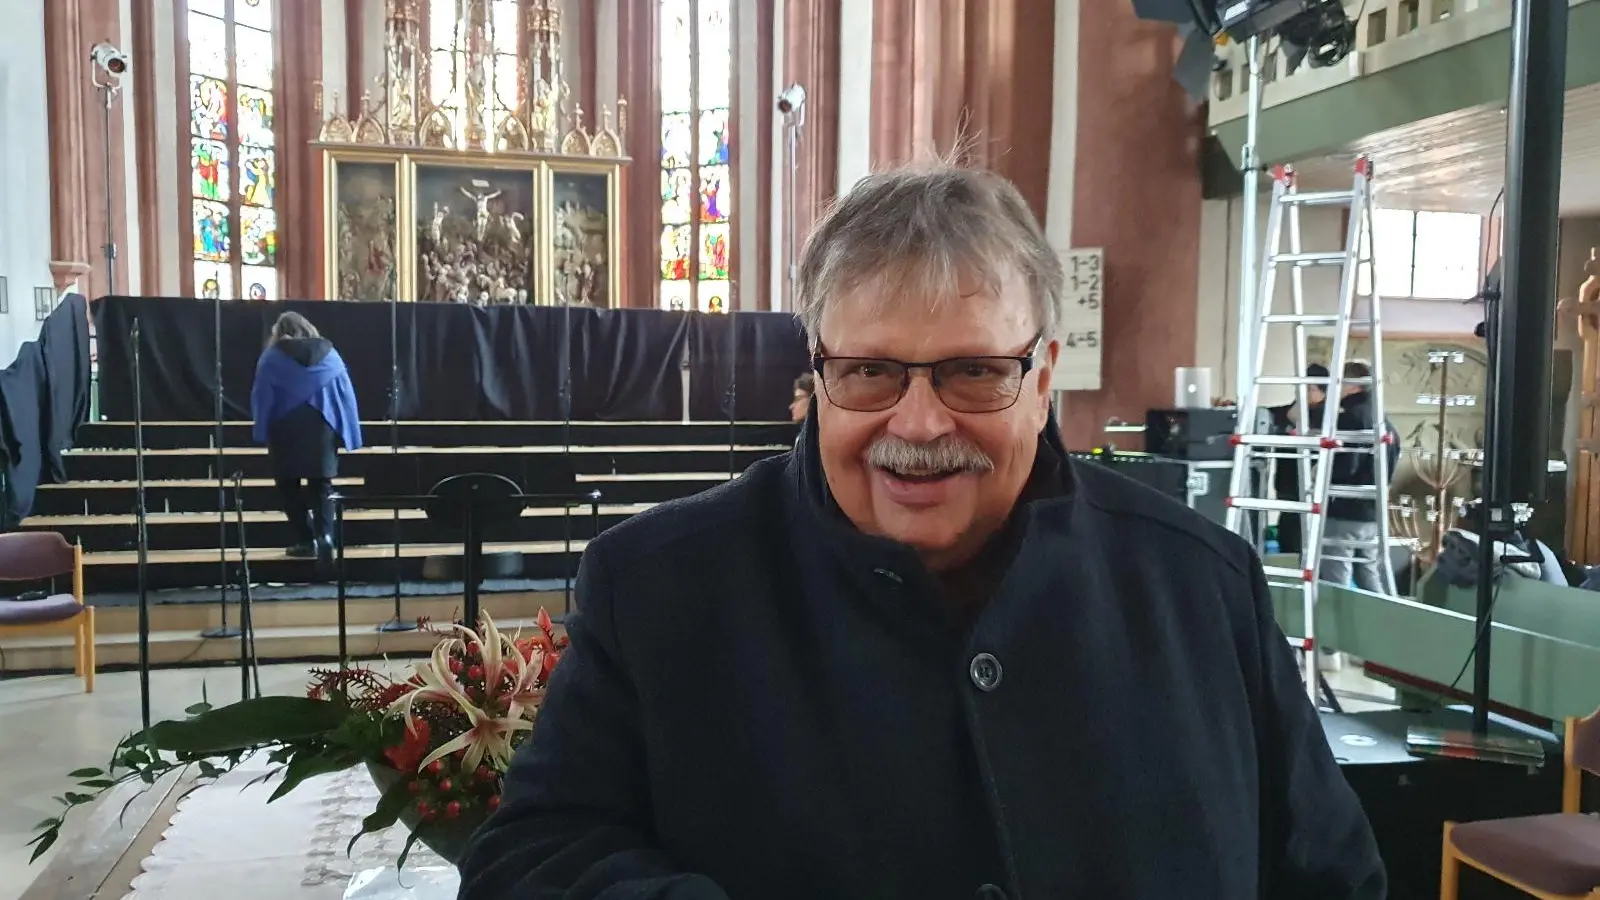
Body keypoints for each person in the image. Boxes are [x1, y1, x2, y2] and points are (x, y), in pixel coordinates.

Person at [459, 164, 1384, 899]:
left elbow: (1331, 873)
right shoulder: (663, 583)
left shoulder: (1200, 582)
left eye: (974, 372)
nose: (919, 424)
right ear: (816, 373)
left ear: (1047, 373)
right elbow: (531, 858)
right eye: (869, 372)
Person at [250, 312, 362, 558]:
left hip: (285, 428)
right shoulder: (330, 356)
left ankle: (305, 539)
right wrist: (350, 431)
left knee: (287, 486)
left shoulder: (271, 358)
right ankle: (326, 537)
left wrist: (261, 428)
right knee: (321, 486)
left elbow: (262, 397)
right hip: (322, 426)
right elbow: (345, 395)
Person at [1318, 360, 1398, 593]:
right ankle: (1383, 620)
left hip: (1345, 510)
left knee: (1336, 577)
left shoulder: (1349, 417)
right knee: (1368, 573)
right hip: (1372, 512)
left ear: (1353, 385)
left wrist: (1318, 472)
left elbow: (1345, 467)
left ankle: (1335, 627)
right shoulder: (1385, 421)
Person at [1267, 364, 1328, 554]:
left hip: (1312, 490)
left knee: (1305, 543)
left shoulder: (1329, 417)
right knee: (1287, 536)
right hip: (1287, 487)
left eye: (1306, 388)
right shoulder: (1291, 411)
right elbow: (1270, 415)